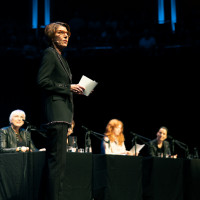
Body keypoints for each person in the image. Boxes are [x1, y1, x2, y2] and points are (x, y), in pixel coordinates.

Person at [37, 22, 85, 200]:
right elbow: (42, 81)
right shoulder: (49, 54)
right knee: (56, 164)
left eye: (67, 34)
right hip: (56, 115)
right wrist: (68, 87)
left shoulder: (61, 58)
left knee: (59, 164)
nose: (66, 36)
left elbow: (61, 86)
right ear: (52, 36)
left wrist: (77, 89)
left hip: (63, 114)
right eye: (61, 33)